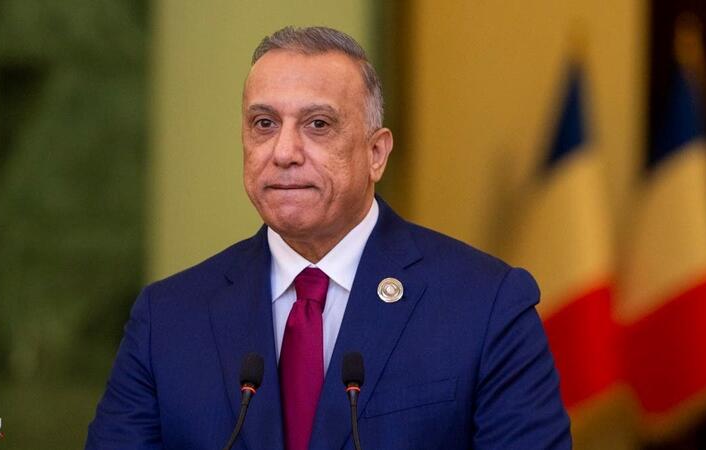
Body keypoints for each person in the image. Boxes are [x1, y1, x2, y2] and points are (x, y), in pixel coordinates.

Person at [86, 26, 571, 450]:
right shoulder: (168, 319)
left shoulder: (486, 307)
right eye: (264, 124)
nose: (284, 152)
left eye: (318, 125)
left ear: (376, 153)